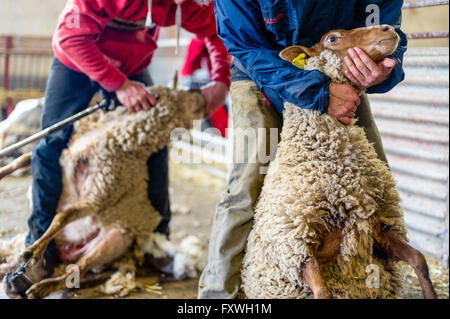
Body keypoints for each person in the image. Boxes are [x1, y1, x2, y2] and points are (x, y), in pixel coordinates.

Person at [13, 0, 230, 287]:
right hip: (78, 60)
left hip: (132, 65)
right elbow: (70, 36)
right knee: (51, 144)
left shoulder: (185, 4)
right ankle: (40, 249)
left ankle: (156, 241)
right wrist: (119, 85)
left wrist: (220, 80)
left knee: (154, 140)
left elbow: (217, 30)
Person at [199, 0, 407, 299]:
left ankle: (379, 288)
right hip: (260, 72)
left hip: (335, 73)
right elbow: (245, 44)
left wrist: (386, 70)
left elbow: (386, 28)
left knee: (375, 184)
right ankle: (218, 297)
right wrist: (318, 92)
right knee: (247, 182)